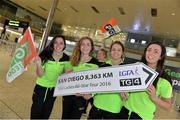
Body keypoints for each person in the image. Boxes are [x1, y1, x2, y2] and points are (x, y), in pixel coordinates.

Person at [119, 41, 172, 119]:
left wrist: (154, 98)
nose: (151, 53)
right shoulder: (136, 68)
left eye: (156, 51)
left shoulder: (164, 79)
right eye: (149, 50)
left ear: (161, 57)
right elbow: (125, 84)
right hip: (124, 111)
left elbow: (168, 107)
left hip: (142, 117)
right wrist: (123, 89)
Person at [61, 36, 103, 119]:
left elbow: (98, 82)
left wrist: (91, 94)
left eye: (88, 44)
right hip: (68, 95)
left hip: (81, 98)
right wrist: (65, 75)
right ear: (79, 46)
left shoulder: (96, 63)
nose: (85, 47)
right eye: (83, 44)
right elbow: (63, 77)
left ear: (91, 48)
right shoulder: (72, 60)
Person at [30, 35, 70, 119]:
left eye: (61, 43)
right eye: (56, 43)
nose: (58, 45)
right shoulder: (45, 55)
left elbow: (65, 72)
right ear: (52, 44)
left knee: (46, 111)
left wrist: (67, 73)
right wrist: (38, 64)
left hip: (53, 89)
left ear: (64, 45)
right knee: (36, 110)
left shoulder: (66, 58)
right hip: (41, 87)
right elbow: (40, 74)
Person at [88, 41, 125, 119]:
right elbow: (96, 84)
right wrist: (90, 94)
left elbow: (129, 88)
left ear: (122, 52)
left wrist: (125, 92)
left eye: (119, 50)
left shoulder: (126, 69)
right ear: (110, 52)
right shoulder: (102, 67)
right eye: (114, 49)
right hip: (98, 104)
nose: (116, 52)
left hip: (113, 108)